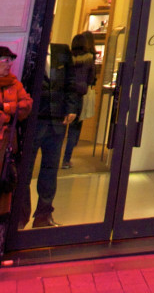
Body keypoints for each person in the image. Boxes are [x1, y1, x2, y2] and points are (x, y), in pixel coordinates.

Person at [21, 43, 78, 227]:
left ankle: (43, 215)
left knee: (50, 170)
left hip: (56, 121)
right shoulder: (29, 49)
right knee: (24, 170)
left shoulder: (61, 51)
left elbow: (71, 82)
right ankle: (20, 216)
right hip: (33, 120)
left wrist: (71, 108)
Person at [0, 46, 32, 221]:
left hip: (7, 145)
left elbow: (26, 105)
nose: (9, 64)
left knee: (5, 185)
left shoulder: (14, 84)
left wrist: (6, 108)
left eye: (10, 60)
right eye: (5, 60)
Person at [62, 33, 98, 169]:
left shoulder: (67, 58)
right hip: (79, 95)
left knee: (61, 125)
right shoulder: (89, 59)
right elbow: (91, 78)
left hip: (65, 94)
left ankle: (55, 157)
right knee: (74, 128)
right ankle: (66, 159)